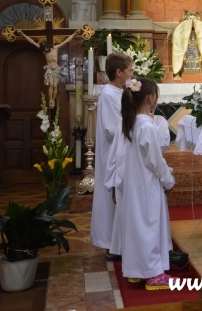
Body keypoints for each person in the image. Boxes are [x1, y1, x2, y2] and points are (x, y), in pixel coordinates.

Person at [107, 77, 176, 290]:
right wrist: (169, 180)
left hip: (130, 184)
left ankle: (137, 270)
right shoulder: (146, 126)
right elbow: (155, 161)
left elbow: (118, 157)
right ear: (150, 98)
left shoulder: (129, 123)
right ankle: (153, 274)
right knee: (149, 226)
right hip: (146, 186)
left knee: (136, 226)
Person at [90, 52, 134, 257]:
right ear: (119, 72)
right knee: (112, 196)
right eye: (130, 71)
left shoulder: (120, 92)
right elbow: (111, 128)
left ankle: (120, 242)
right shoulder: (108, 94)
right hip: (112, 154)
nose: (132, 75)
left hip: (122, 150)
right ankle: (111, 242)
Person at [16, 28, 83, 109]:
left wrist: (74, 34)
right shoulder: (44, 51)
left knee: (55, 86)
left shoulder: (55, 48)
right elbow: (32, 42)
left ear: (48, 46)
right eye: (44, 49)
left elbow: (66, 41)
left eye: (46, 48)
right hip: (49, 68)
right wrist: (22, 34)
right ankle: (50, 99)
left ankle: (53, 100)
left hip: (56, 68)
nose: (45, 50)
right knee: (50, 85)